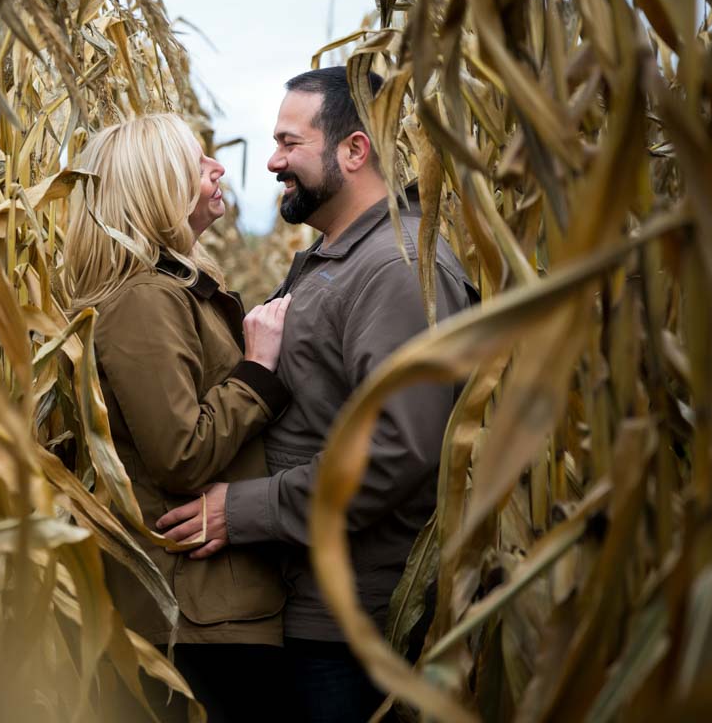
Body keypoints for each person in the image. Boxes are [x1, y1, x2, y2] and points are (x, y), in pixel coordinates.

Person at [157, 67, 477, 722]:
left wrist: (238, 511)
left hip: (349, 632)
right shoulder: (336, 259)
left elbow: (396, 449)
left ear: (354, 150)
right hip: (304, 615)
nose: (272, 161)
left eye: (288, 142)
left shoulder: (395, 269)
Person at [63, 113, 293, 723]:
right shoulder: (145, 298)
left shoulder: (170, 291)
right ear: (156, 184)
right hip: (195, 621)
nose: (219, 169)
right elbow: (180, 454)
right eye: (197, 162)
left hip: (209, 613)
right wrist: (258, 373)